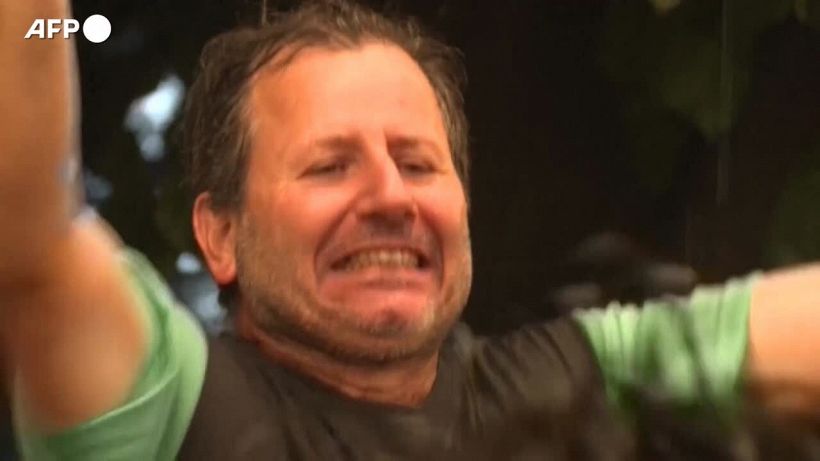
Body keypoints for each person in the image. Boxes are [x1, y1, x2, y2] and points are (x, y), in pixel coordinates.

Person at [2, 0, 819, 459]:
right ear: (219, 236)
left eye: (419, 163)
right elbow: (31, 232)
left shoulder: (572, 381)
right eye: (330, 166)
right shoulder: (163, 414)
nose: (391, 196)